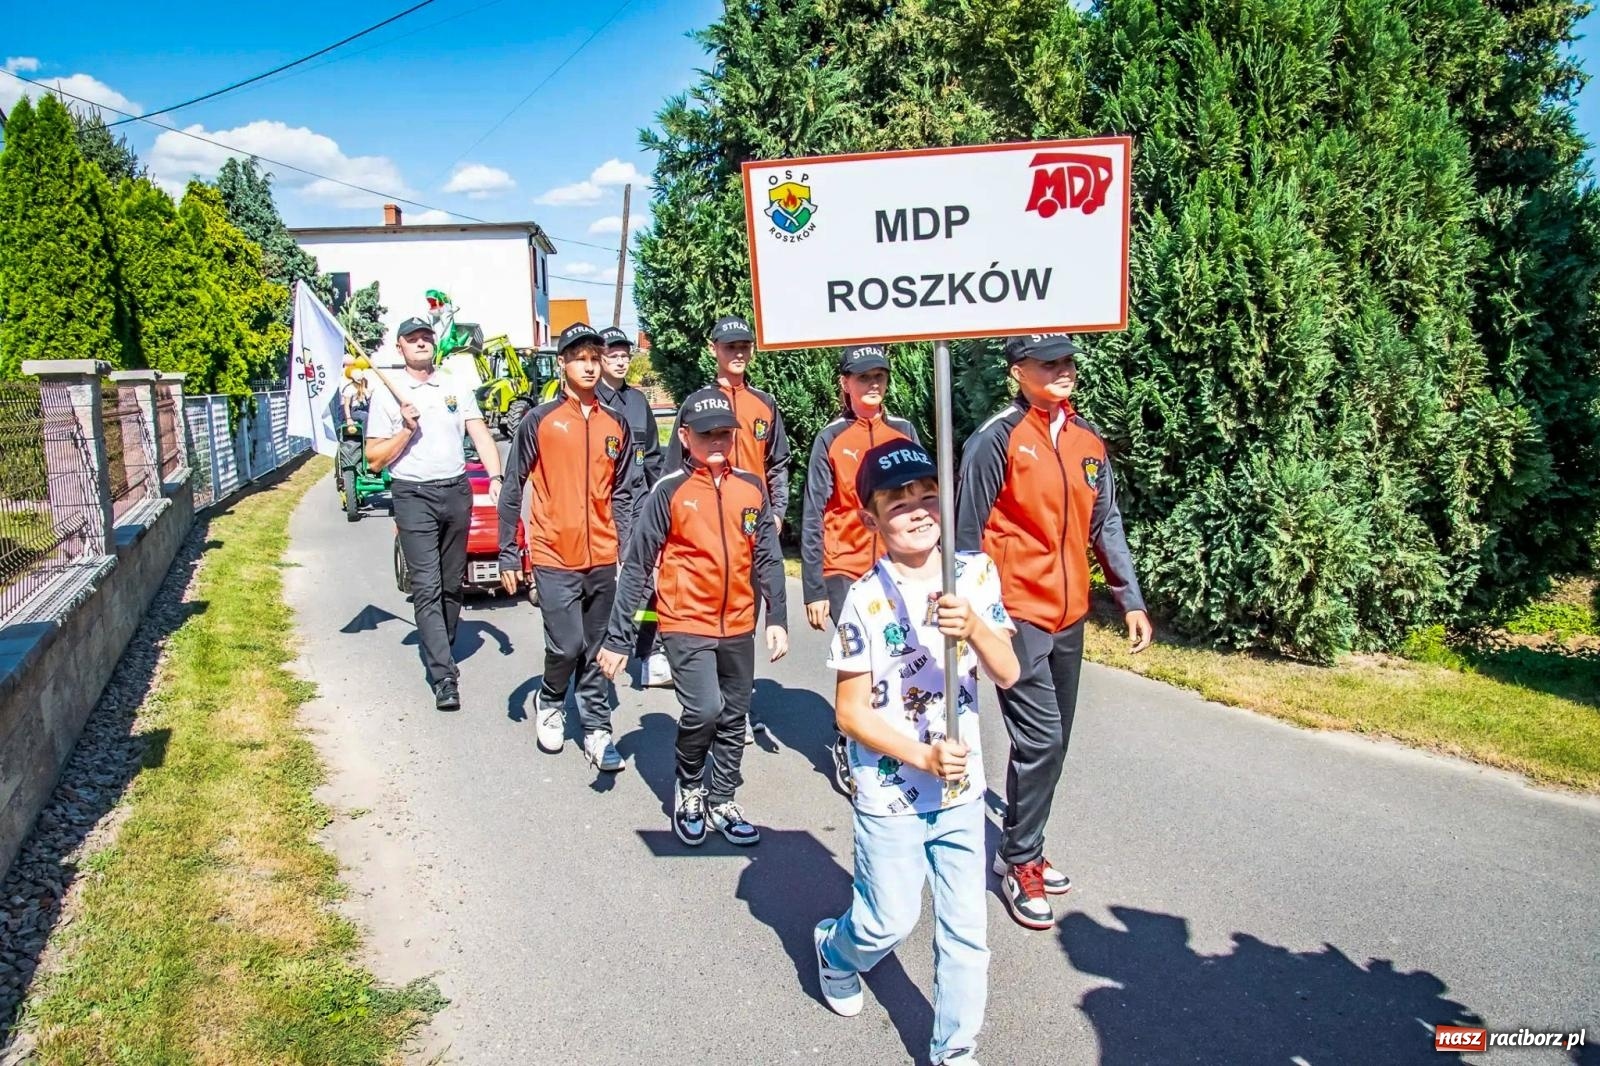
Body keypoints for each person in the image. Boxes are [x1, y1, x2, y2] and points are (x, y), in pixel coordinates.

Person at [814, 438, 1019, 1066]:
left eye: (927, 493)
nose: (917, 508)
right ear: (871, 519)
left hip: (961, 789)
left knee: (967, 935)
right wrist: (920, 756)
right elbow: (849, 714)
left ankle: (955, 1050)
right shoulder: (864, 599)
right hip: (890, 790)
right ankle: (837, 950)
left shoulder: (975, 574)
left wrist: (975, 627)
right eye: (897, 501)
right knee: (888, 923)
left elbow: (1008, 671)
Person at [955, 333, 1152, 931]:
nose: (1062, 370)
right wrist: (982, 620)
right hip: (1017, 617)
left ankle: (1025, 840)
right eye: (1048, 363)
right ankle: (1020, 862)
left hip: (1071, 617)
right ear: (1018, 371)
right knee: (1041, 741)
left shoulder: (1089, 441)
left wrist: (1129, 598)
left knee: (1053, 742)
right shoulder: (996, 439)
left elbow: (1105, 520)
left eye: (1067, 360)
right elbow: (965, 537)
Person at [597, 388, 788, 846]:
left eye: (724, 432)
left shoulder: (751, 487)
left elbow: (768, 556)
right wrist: (618, 640)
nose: (717, 441)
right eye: (707, 434)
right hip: (686, 621)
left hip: (739, 622)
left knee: (734, 716)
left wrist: (776, 616)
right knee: (704, 709)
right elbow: (639, 566)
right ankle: (691, 787)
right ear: (685, 437)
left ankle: (722, 798)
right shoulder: (669, 491)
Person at [497, 322, 639, 772]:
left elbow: (624, 492)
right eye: (581, 358)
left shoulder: (615, 424)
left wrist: (628, 548)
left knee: (598, 646)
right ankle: (552, 698)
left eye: (596, 358)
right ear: (563, 364)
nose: (591, 365)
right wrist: (507, 550)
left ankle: (597, 727)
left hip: (602, 556)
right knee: (566, 644)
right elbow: (513, 486)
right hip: (553, 554)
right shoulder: (539, 421)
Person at [364, 317, 504, 711]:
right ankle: (444, 675)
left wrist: (496, 477)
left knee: (451, 583)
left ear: (434, 345)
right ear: (401, 348)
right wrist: (406, 430)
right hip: (412, 494)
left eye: (426, 337)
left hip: (455, 491)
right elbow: (374, 460)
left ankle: (440, 641)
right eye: (413, 339)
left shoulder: (455, 385)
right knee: (425, 585)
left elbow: (478, 431)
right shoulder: (387, 394)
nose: (421, 343)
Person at [662, 314, 791, 741]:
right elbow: (672, 472)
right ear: (714, 349)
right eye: (730, 346)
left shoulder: (765, 403)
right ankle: (711, 701)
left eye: (744, 347)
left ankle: (738, 704)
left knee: (743, 614)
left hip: (751, 524)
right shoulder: (698, 403)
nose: (738, 354)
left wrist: (776, 512)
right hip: (704, 524)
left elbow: (779, 463)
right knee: (710, 608)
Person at [801, 344, 921, 795]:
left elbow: (922, 499)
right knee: (863, 658)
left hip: (896, 567)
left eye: (879, 377)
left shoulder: (904, 431)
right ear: (845, 384)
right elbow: (813, 512)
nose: (873, 384)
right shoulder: (830, 438)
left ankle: (889, 742)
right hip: (844, 568)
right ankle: (847, 739)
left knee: (898, 657)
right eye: (863, 377)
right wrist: (813, 586)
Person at [596, 326, 671, 687]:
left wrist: (663, 497)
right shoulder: (591, 401)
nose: (622, 360)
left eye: (626, 354)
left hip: (640, 502)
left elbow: (654, 456)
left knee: (646, 579)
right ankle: (605, 644)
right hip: (604, 506)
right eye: (614, 355)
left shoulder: (639, 402)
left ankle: (647, 652)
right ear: (599, 358)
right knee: (609, 582)